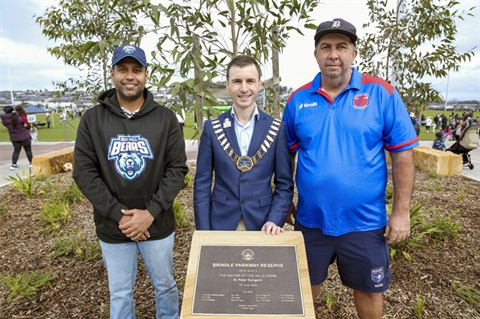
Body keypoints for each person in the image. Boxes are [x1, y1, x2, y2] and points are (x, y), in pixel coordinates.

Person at [282, 18, 419, 318]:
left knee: (369, 291)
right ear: (316, 54)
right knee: (301, 289)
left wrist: (401, 212)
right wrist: (284, 199)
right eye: (326, 47)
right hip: (311, 221)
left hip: (365, 223)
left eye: (342, 47)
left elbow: (403, 155)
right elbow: (285, 156)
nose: (334, 54)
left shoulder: (381, 93)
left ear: (354, 54)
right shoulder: (298, 99)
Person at [72, 44, 188, 319]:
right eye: (122, 69)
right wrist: (118, 215)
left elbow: (176, 169)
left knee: (165, 286)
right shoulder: (93, 119)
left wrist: (150, 213)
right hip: (113, 226)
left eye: (136, 70)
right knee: (120, 292)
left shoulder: (165, 118)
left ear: (146, 75)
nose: (129, 76)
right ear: (112, 73)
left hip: (156, 224)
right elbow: (84, 172)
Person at [194, 55, 293, 234]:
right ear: (227, 84)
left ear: (259, 84)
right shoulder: (212, 128)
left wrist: (274, 219)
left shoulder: (276, 129)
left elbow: (284, 185)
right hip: (221, 223)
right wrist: (203, 232)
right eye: (237, 81)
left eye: (250, 81)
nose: (244, 88)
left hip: (262, 224)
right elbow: (202, 184)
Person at [1, 105, 34, 170]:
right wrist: (29, 126)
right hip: (24, 136)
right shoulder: (19, 117)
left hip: (14, 137)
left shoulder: (4, 120)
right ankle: (31, 163)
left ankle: (14, 164)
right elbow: (26, 125)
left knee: (16, 151)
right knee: (28, 150)